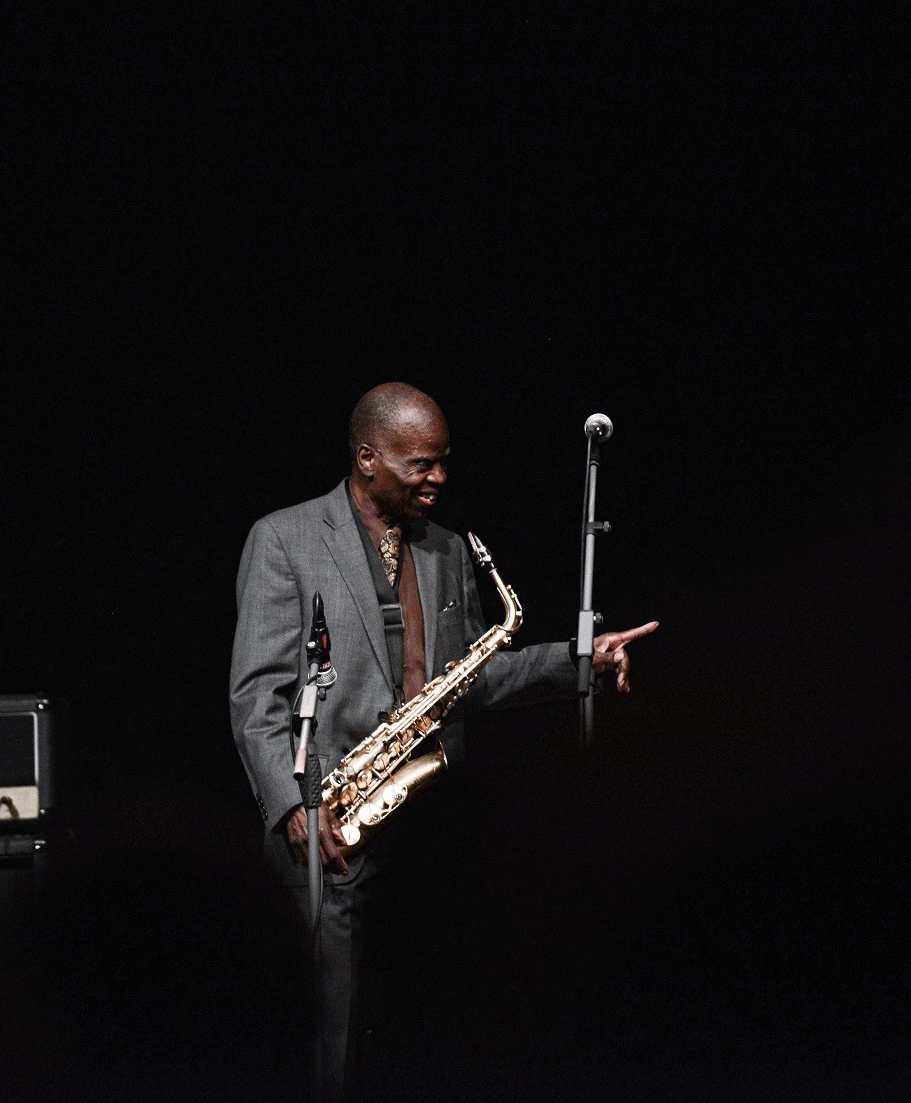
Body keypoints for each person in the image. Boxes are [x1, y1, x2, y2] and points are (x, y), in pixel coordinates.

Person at [229, 382, 657, 1102]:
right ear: (368, 458)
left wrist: (581, 658)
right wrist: (294, 806)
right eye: (420, 465)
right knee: (331, 1038)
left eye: (443, 462)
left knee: (430, 1033)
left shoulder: (448, 548)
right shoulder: (284, 538)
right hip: (335, 822)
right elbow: (255, 696)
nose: (438, 479)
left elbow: (474, 678)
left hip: (430, 826)